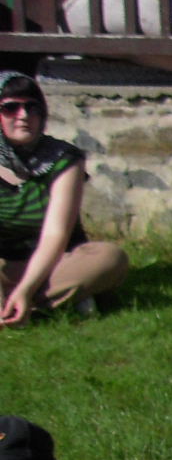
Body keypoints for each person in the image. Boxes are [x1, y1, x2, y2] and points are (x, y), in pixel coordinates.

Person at [0, 71, 126, 322]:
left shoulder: (64, 158)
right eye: (11, 108)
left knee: (110, 258)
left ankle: (21, 304)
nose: (24, 116)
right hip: (5, 265)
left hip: (56, 264)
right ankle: (53, 304)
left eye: (32, 108)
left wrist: (26, 288)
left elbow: (55, 235)